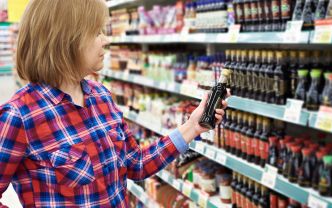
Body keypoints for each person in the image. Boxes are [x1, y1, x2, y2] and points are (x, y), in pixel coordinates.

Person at [0, 0, 227, 207]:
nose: (106, 40)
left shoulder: (101, 96)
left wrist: (192, 127)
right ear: (65, 38)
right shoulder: (19, 115)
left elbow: (136, 163)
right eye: (96, 32)